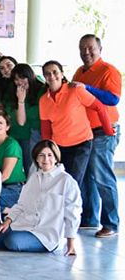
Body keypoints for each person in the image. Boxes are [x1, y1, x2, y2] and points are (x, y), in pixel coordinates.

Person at [0, 140, 81, 255]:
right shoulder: (34, 178)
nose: (46, 159)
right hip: (25, 225)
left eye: (50, 155)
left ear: (56, 158)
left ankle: (17, 240)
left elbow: (72, 213)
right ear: (36, 159)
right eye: (41, 155)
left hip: (46, 235)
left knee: (12, 241)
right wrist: (6, 222)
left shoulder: (66, 181)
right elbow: (21, 204)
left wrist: (71, 244)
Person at [72, 34, 121, 238]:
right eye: (82, 48)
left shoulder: (108, 70)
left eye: (90, 48)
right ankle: (90, 219)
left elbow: (113, 99)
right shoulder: (79, 71)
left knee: (102, 176)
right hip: (85, 131)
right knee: (86, 176)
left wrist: (87, 88)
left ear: (100, 49)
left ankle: (111, 223)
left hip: (104, 130)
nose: (86, 52)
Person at [39, 59, 113, 190]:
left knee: (72, 183)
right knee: (61, 182)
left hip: (80, 143)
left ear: (62, 74)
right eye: (47, 74)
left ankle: (72, 204)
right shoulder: (43, 100)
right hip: (59, 147)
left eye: (55, 72)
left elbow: (100, 107)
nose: (52, 76)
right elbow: (46, 129)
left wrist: (109, 132)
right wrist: (48, 150)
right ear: (44, 77)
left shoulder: (75, 91)